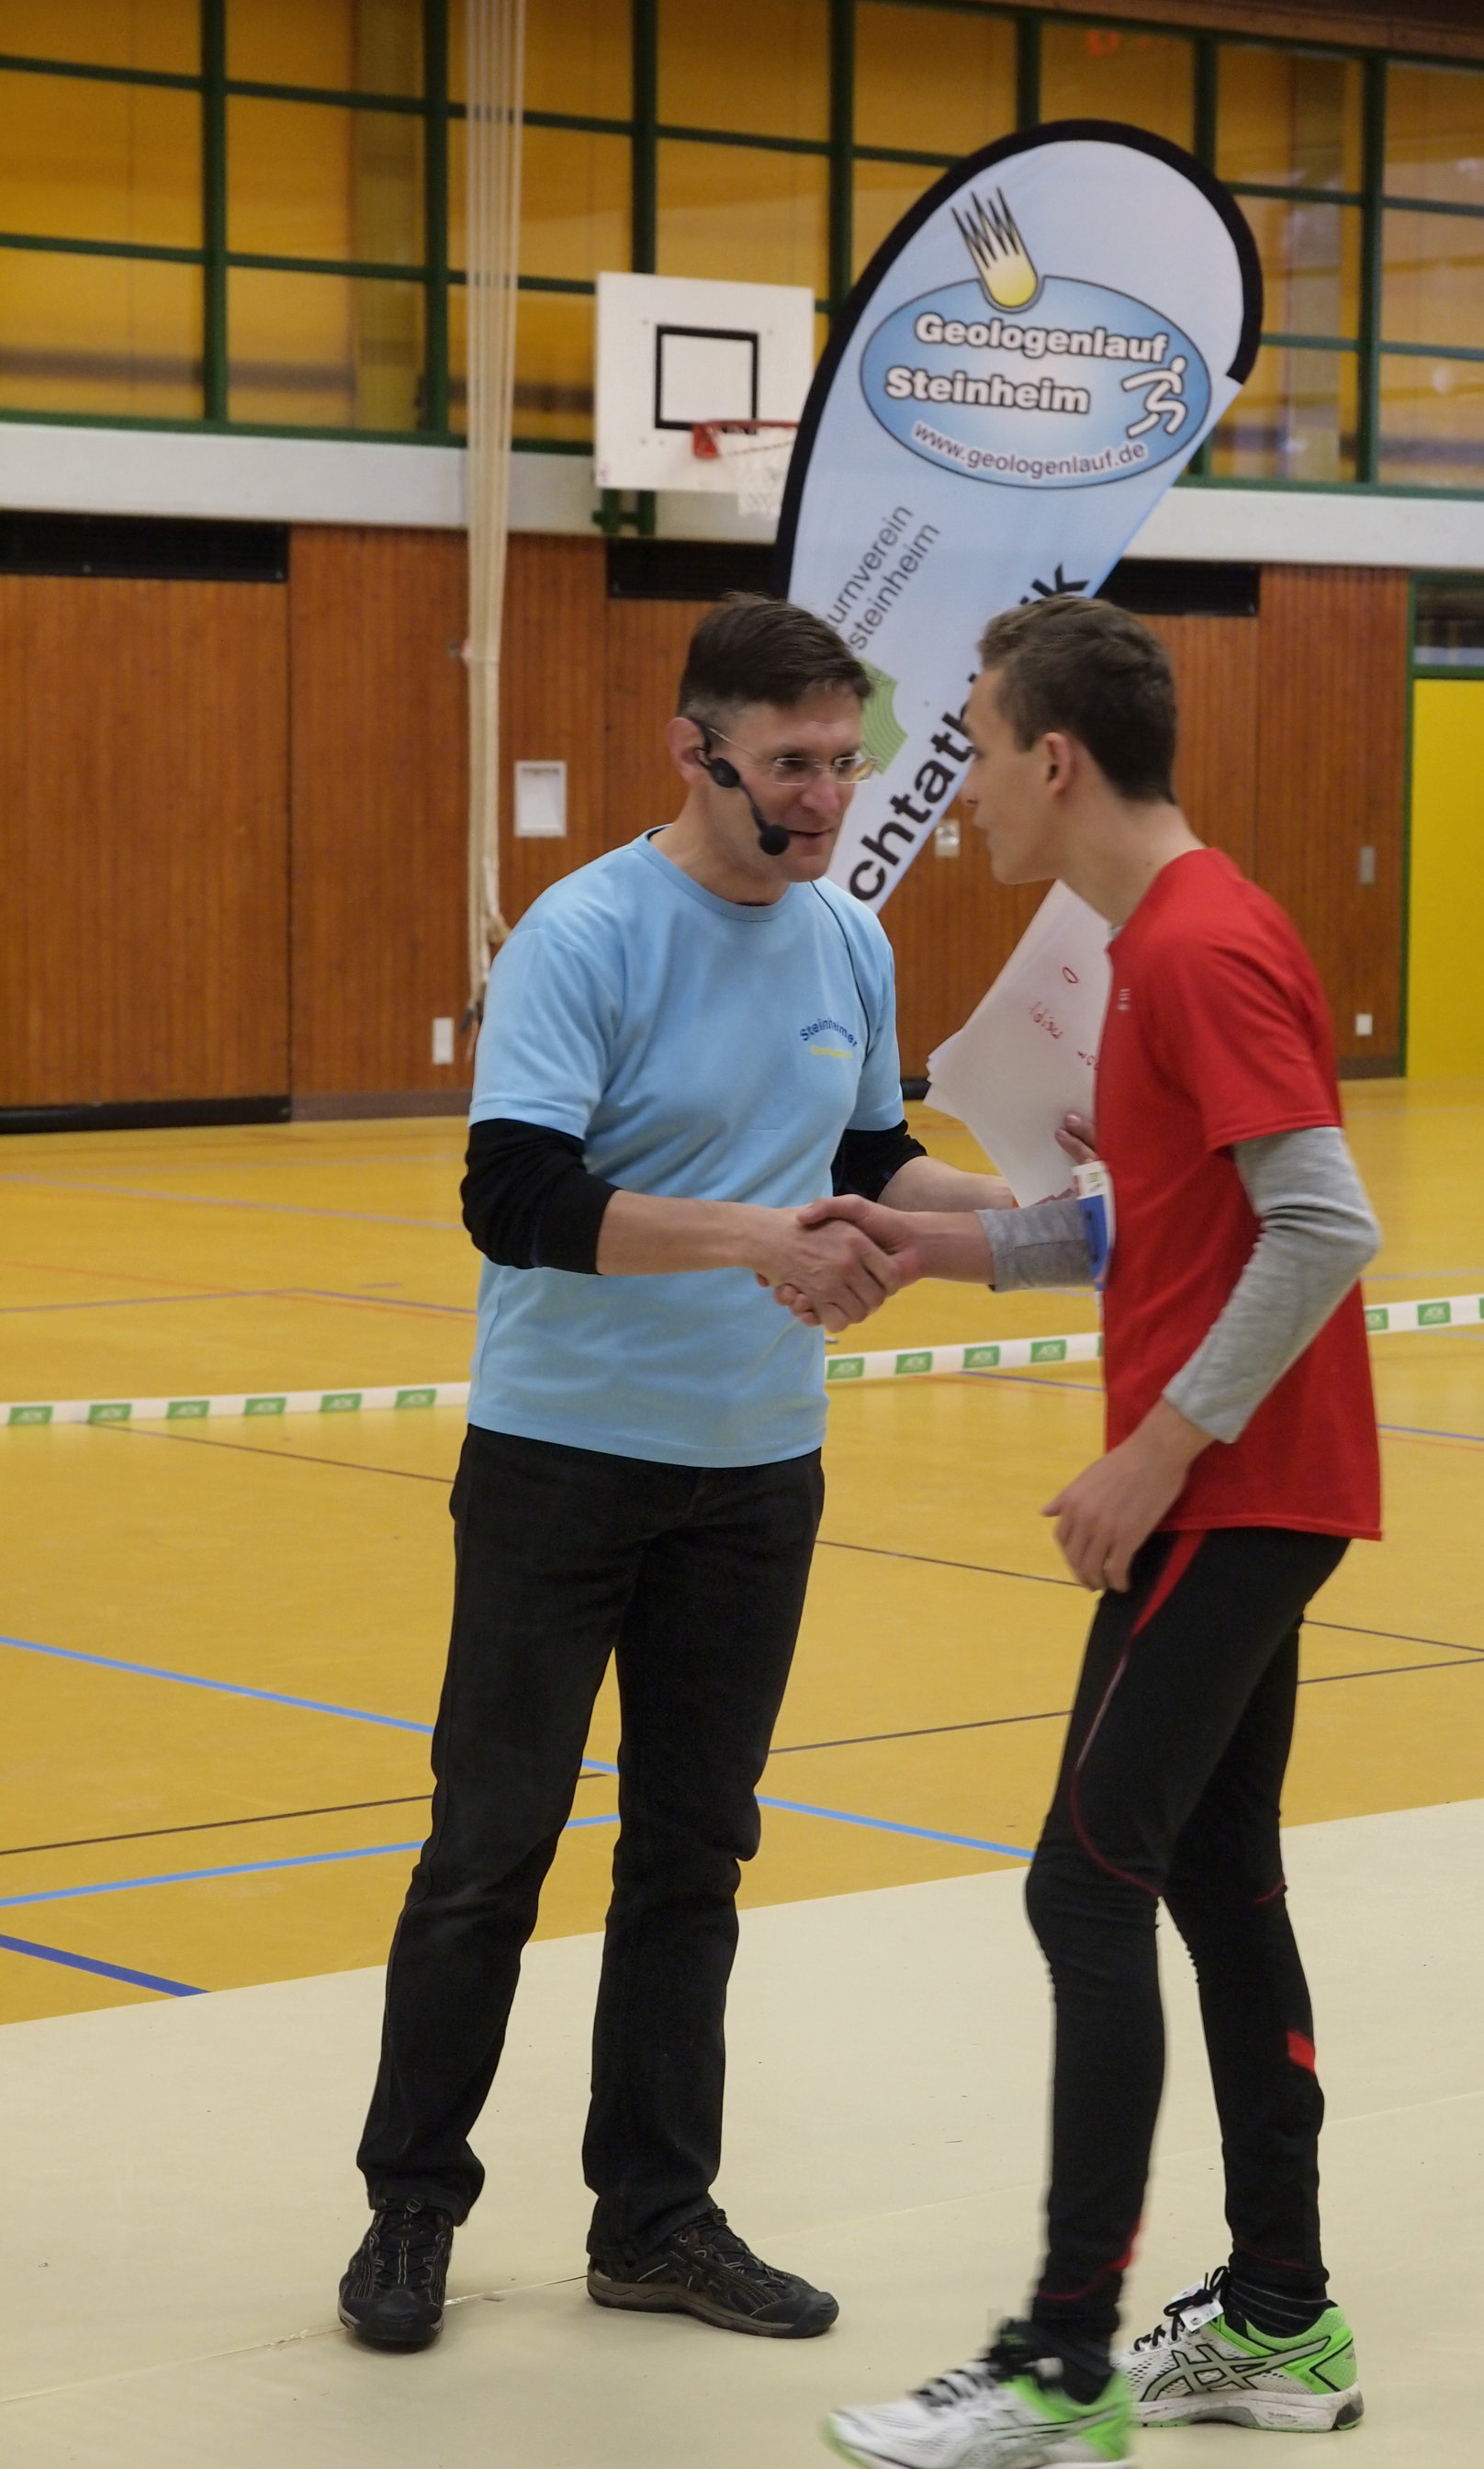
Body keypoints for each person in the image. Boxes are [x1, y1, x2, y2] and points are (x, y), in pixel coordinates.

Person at [338, 595, 1006, 2353]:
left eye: (846, 764)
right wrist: (758, 1239)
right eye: (791, 766)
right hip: (562, 1466)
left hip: (757, 1473)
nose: (826, 799)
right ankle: (411, 2209)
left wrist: (1034, 1209)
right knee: (488, 1849)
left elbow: (873, 1156)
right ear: (693, 751)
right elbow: (517, 1200)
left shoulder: (848, 940)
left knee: (693, 1856)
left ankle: (653, 2221)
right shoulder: (587, 934)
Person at [814, 597, 1383, 2466]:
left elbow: (1324, 1223)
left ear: (1056, 758)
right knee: (1215, 1879)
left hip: (1234, 1492)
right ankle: (1282, 2317)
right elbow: (1155, 1219)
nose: (962, 788)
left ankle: (1061, 2366)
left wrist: (1157, 1450)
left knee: (1084, 1883)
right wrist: (937, 1243)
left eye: (977, 748)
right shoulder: (1162, 944)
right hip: (1251, 1490)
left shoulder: (1199, 946)